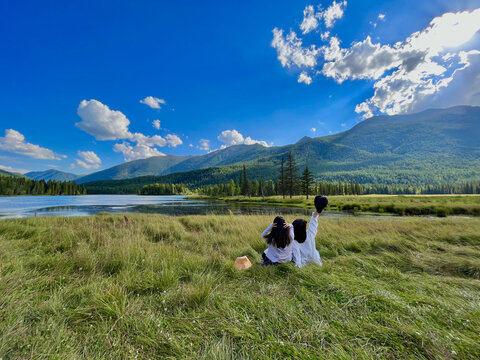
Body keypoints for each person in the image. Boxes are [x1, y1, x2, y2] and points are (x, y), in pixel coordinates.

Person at [291, 196, 328, 268]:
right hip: (316, 261)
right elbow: (314, 221)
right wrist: (318, 210)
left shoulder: (294, 241)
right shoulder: (310, 234)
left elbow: (297, 257)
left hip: (304, 263)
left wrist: (299, 267)